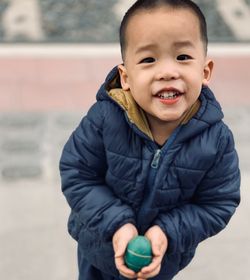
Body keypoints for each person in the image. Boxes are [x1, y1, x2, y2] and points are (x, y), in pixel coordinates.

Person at [59, 0, 241, 279]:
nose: (167, 71)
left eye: (182, 57)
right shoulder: (105, 119)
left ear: (205, 71)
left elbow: (218, 203)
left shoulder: (215, 140)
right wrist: (117, 225)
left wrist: (167, 231)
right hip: (99, 245)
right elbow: (77, 174)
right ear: (126, 76)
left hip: (163, 257)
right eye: (148, 60)